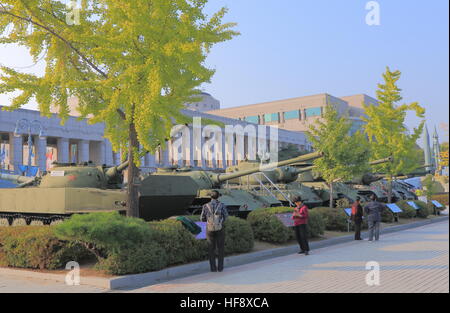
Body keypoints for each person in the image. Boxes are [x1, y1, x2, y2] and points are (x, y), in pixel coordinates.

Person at [201, 190, 228, 272]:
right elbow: (226, 216)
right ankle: (220, 268)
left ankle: (213, 268)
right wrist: (220, 222)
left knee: (211, 249)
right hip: (219, 228)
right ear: (218, 196)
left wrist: (209, 222)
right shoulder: (221, 205)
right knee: (220, 248)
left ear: (210, 196)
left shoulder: (205, 206)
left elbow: (202, 218)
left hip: (209, 229)